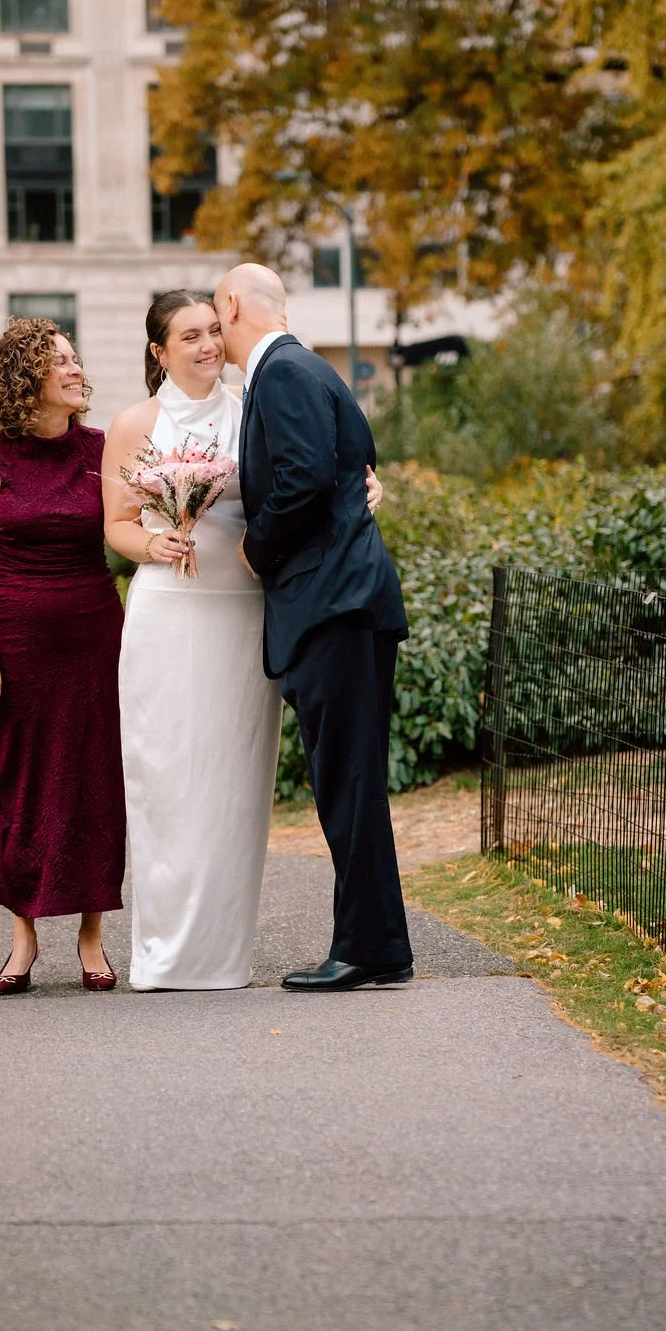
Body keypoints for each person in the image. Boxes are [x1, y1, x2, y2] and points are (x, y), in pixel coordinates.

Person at [104, 291, 383, 991]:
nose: (205, 344)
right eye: (188, 335)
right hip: (170, 613)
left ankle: (224, 954)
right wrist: (154, 542)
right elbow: (115, 523)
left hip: (243, 614)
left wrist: (362, 488)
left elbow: (310, 473)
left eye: (211, 330)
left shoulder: (250, 407)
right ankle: (166, 953)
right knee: (168, 781)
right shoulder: (133, 423)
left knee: (233, 785)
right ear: (157, 351)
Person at [213, 263, 413, 992]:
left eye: (216, 313)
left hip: (333, 602)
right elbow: (356, 458)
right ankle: (376, 943)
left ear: (232, 304)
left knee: (349, 781)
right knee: (349, 782)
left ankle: (369, 947)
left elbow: (299, 478)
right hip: (342, 601)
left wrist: (253, 545)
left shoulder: (286, 371)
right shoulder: (307, 368)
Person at [0, 319, 125, 995]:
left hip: (96, 633)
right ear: (28, 379)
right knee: (20, 782)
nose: (78, 368)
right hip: (20, 642)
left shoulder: (103, 448)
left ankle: (93, 934)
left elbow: (128, 532)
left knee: (96, 778)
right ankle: (23, 935)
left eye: (76, 357)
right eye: (62, 361)